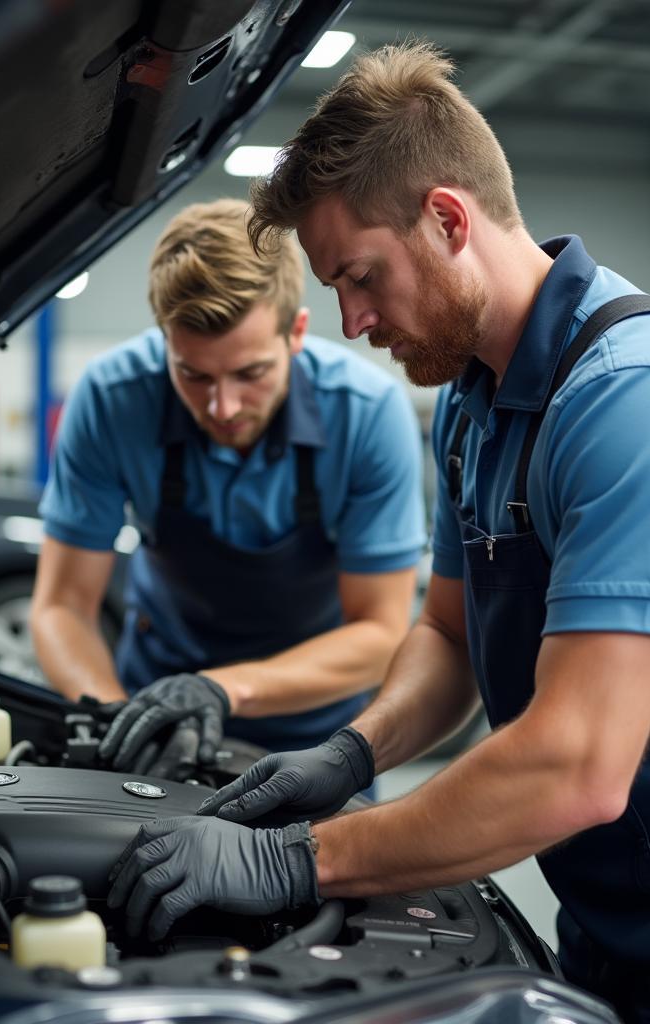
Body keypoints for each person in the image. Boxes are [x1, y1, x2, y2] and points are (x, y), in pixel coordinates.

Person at [105, 44, 650, 1024]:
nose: (349, 321)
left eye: (359, 276)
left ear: (446, 219)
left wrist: (301, 858)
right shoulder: (476, 404)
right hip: (604, 909)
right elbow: (447, 638)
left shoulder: (640, 398)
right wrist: (351, 752)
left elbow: (574, 760)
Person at [31, 198, 426, 779]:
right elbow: (62, 607)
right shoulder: (112, 399)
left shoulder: (367, 414)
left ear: (295, 333)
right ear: (166, 339)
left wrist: (220, 690)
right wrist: (117, 719)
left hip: (314, 737)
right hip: (156, 719)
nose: (222, 407)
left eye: (250, 373)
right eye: (193, 374)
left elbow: (382, 633)